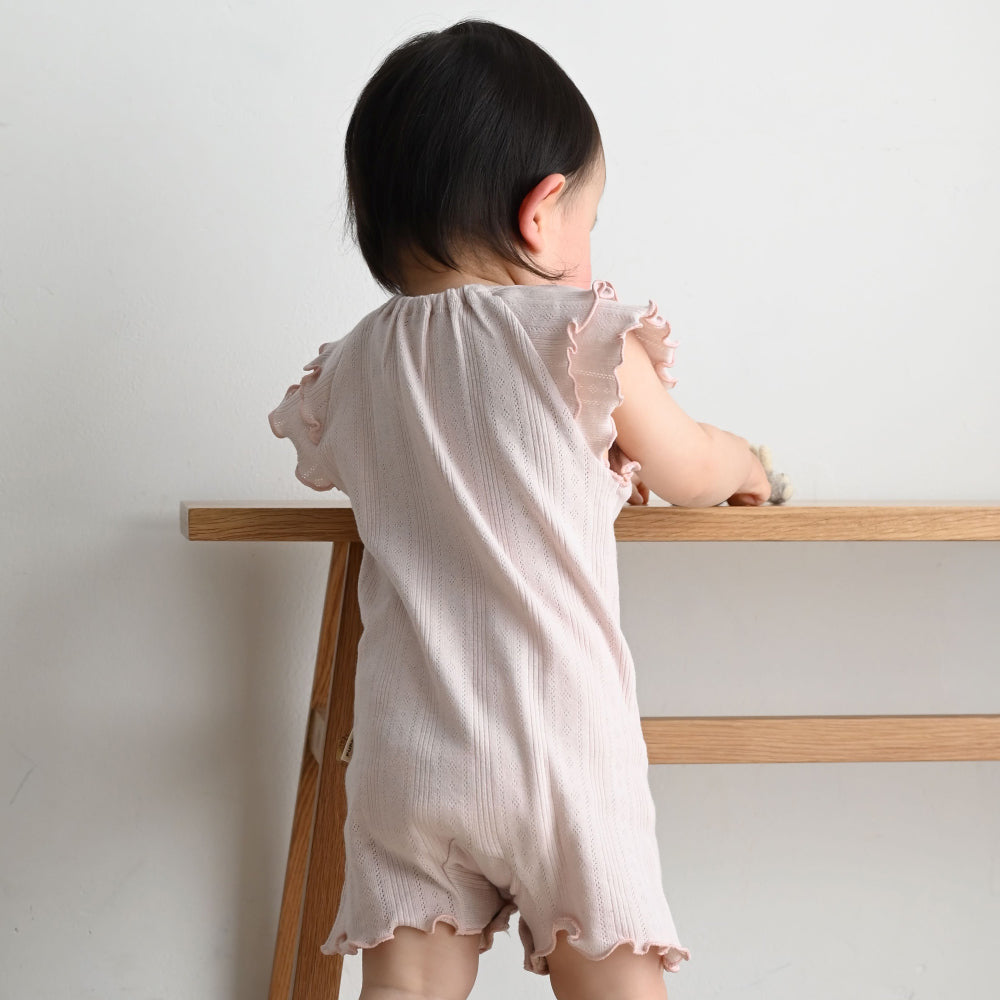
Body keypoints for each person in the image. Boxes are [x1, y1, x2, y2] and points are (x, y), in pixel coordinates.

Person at [268, 18, 771, 1000]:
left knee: (407, 986)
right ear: (541, 214)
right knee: (613, 983)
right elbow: (689, 468)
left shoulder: (355, 366)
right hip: (563, 754)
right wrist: (748, 462)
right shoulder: (577, 336)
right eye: (590, 219)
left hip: (410, 755)